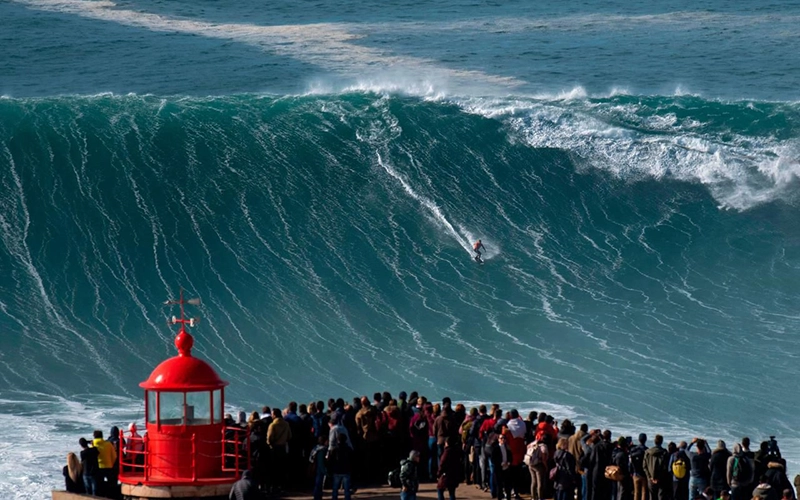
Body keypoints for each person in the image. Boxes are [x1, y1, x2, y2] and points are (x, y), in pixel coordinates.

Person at [644, 434, 671, 500]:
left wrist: (649, 477)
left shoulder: (647, 452)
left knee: (652, 497)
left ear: (654, 441)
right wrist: (659, 478)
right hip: (661, 479)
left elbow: (644, 466)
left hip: (650, 479)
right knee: (661, 496)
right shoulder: (664, 453)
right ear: (661, 442)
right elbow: (665, 467)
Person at [92, 430, 117, 495]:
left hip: (98, 468)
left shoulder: (93, 445)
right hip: (108, 466)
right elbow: (114, 456)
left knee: (99, 484)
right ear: (102, 436)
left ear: (94, 436)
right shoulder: (108, 444)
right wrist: (111, 463)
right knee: (111, 484)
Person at [330, 434, 353, 500]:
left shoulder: (335, 449)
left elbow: (331, 460)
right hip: (346, 470)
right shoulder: (348, 449)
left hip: (337, 471)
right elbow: (352, 460)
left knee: (335, 488)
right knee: (347, 489)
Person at [630, 434, 649, 500]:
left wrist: (631, 471)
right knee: (644, 492)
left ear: (638, 440)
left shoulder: (634, 449)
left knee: (636, 492)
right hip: (644, 474)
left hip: (635, 473)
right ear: (645, 440)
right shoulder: (647, 450)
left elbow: (630, 462)